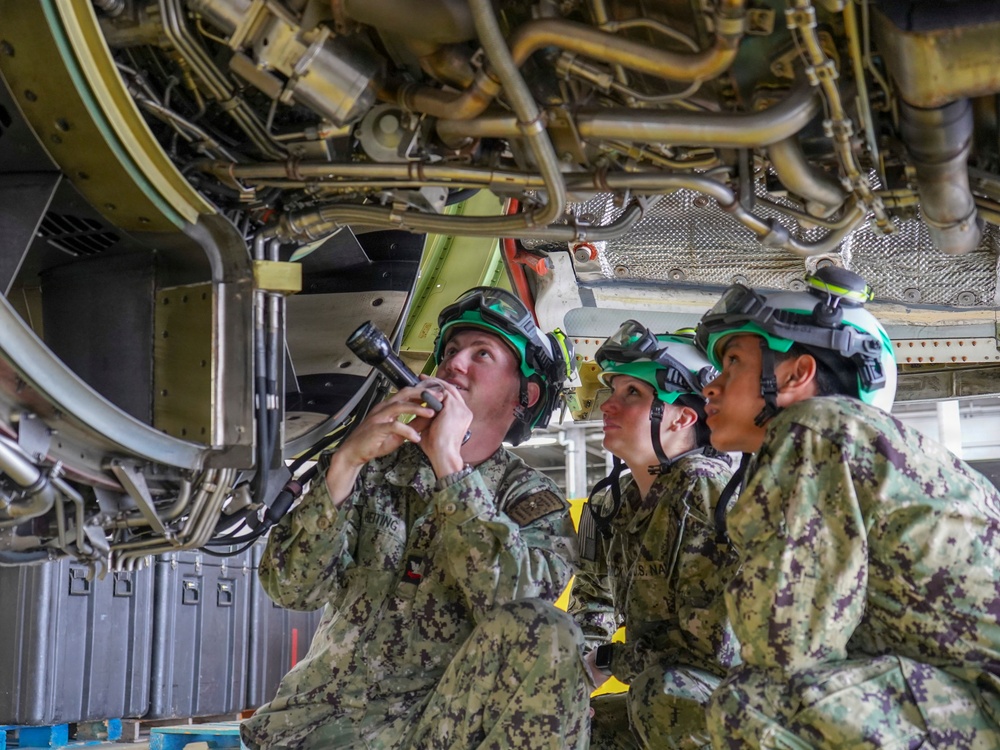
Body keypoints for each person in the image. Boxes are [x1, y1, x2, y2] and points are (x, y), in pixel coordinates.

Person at [241, 286, 591, 750]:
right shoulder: (377, 469)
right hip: (314, 729)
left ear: (524, 394)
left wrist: (450, 462)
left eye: (481, 354)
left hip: (434, 732)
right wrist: (345, 463)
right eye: (450, 351)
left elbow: (516, 608)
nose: (454, 364)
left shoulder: (530, 498)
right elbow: (291, 587)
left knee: (551, 632)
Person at [695, 266, 1000, 748]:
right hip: (969, 701)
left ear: (797, 374)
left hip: (982, 708)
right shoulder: (857, 441)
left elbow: (784, 645)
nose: (710, 386)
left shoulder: (819, 428)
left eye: (733, 362)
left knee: (758, 705)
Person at [568, 322, 739, 749]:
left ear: (682, 416)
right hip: (666, 688)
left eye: (633, 395)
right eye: (613, 391)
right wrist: (571, 680)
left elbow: (716, 647)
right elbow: (594, 599)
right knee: (561, 727)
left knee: (662, 695)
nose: (608, 405)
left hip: (735, 704)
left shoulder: (705, 493)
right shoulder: (613, 503)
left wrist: (610, 660)